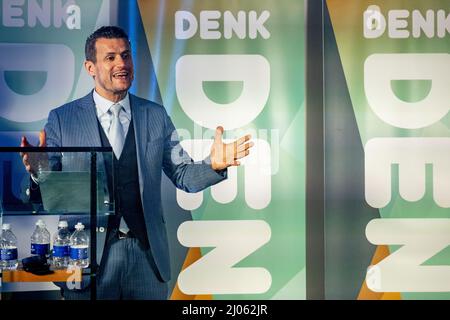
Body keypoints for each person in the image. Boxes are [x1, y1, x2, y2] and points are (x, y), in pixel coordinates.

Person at [20, 26, 253, 300]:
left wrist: (214, 165)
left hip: (147, 260)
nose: (121, 64)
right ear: (90, 67)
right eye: (110, 58)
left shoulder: (155, 116)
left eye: (126, 55)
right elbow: (49, 195)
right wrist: (39, 174)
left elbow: (183, 174)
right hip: (86, 260)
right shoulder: (63, 118)